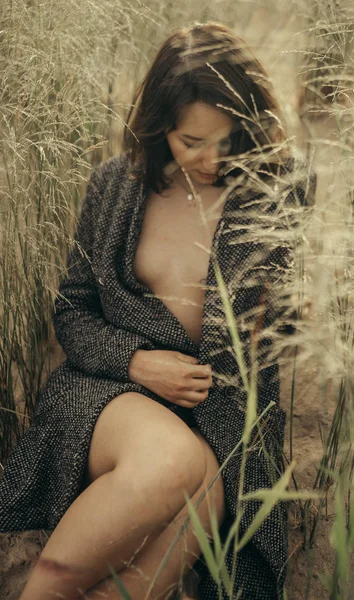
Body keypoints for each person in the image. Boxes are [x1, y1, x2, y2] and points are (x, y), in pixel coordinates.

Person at [0, 21, 316, 600]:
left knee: (208, 486)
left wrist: (291, 298)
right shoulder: (116, 188)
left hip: (216, 412)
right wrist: (138, 362)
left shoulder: (275, 193)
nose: (210, 159)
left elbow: (277, 328)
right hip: (111, 391)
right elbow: (72, 312)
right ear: (158, 127)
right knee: (175, 461)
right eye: (190, 141)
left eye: (227, 139)